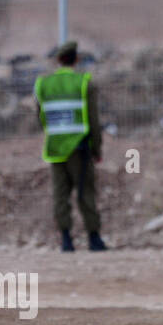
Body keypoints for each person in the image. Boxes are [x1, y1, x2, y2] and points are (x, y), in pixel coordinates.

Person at [35, 40, 105, 252]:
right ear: (76, 59)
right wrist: (97, 148)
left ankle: (66, 241)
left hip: (55, 147)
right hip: (79, 147)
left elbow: (40, 117)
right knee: (85, 193)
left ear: (58, 60)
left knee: (60, 194)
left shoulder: (43, 84)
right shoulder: (84, 83)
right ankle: (94, 239)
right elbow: (93, 119)